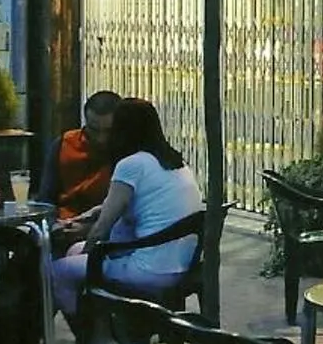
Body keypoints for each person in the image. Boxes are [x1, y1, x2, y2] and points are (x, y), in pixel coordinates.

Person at [49, 97, 202, 323]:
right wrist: (81, 220)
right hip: (182, 262)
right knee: (74, 252)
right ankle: (106, 326)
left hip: (150, 269)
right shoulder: (173, 161)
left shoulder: (131, 165)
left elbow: (101, 229)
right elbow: (110, 206)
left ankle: (89, 332)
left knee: (58, 271)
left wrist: (88, 253)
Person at [35, 88, 119, 243]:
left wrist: (89, 229)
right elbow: (45, 198)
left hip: (106, 231)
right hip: (63, 225)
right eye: (94, 130)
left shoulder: (128, 153)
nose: (101, 138)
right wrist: (54, 226)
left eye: (108, 131)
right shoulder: (64, 144)